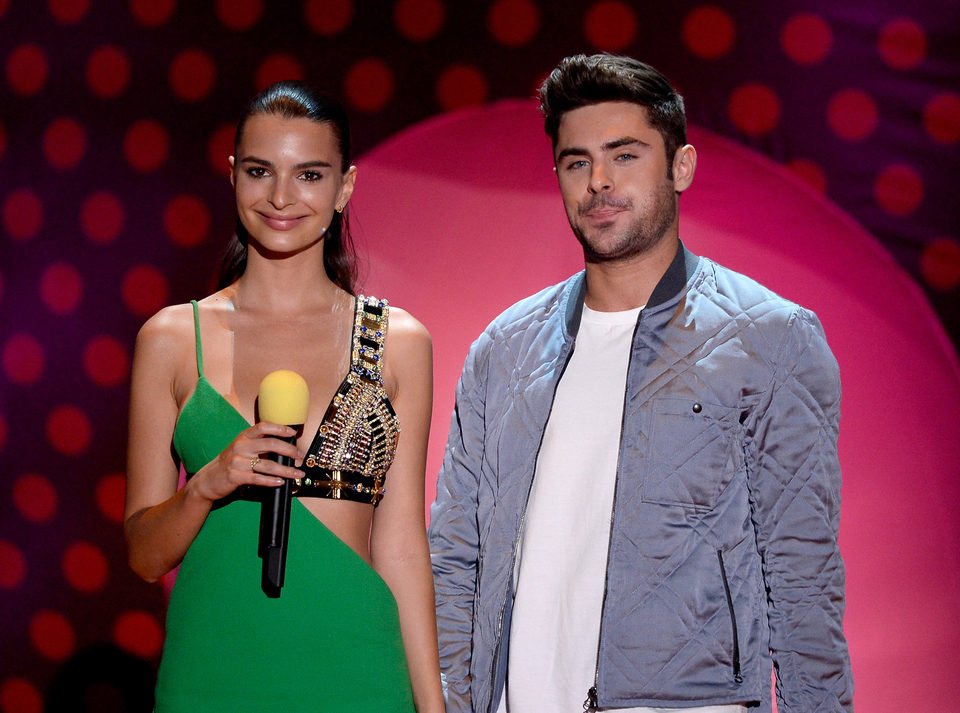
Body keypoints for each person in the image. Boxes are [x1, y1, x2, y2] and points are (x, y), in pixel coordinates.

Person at [428, 54, 854, 713]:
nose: (598, 181)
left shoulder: (770, 338)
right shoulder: (504, 350)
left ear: (680, 166)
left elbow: (802, 582)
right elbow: (455, 562)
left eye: (624, 155)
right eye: (577, 162)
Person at [125, 81, 444, 713]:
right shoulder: (170, 338)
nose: (280, 196)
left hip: (358, 669)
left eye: (310, 174)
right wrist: (208, 483)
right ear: (233, 176)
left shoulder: (398, 341)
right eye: (259, 171)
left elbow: (402, 546)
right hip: (214, 668)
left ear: (344, 188)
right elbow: (143, 555)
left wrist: (432, 706)